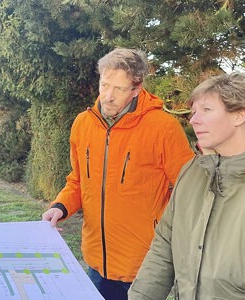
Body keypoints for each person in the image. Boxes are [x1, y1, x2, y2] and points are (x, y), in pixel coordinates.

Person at [41, 48, 195, 300]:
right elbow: (78, 181)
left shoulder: (164, 127)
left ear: (136, 88)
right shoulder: (83, 123)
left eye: (119, 89)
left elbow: (189, 191)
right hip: (95, 261)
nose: (108, 96)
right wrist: (60, 206)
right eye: (104, 85)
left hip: (142, 266)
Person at [128, 73, 245, 299]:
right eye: (194, 112)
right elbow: (164, 246)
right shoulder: (191, 171)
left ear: (239, 115)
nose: (194, 120)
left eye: (206, 110)